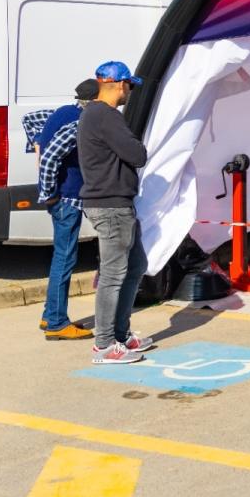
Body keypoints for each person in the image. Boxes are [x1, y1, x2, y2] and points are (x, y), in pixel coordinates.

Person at [79, 61, 154, 364]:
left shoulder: (94, 114)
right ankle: (104, 344)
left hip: (114, 203)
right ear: (119, 84)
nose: (130, 92)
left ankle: (120, 334)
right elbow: (137, 154)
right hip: (111, 205)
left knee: (136, 265)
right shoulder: (106, 116)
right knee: (113, 274)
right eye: (130, 86)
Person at [34, 79, 100, 340]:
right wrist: (48, 193)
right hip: (66, 199)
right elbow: (50, 158)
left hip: (61, 198)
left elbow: (32, 123)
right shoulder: (78, 123)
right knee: (65, 259)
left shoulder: (63, 111)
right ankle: (57, 323)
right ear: (94, 100)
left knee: (61, 257)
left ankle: (50, 313)